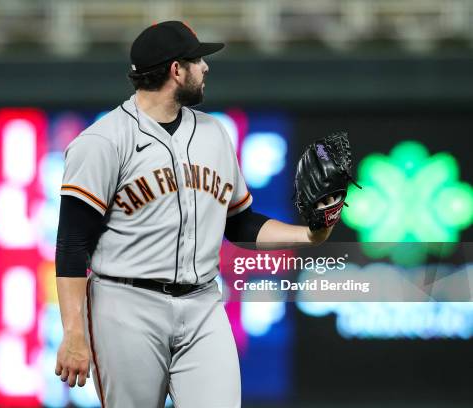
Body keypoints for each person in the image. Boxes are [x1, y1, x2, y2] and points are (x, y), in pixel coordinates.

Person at [54, 20, 336, 408]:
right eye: (198, 60)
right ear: (176, 70)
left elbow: (239, 223)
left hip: (203, 303)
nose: (206, 68)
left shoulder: (214, 134)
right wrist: (73, 333)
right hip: (125, 305)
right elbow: (71, 244)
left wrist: (308, 236)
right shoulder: (102, 142)